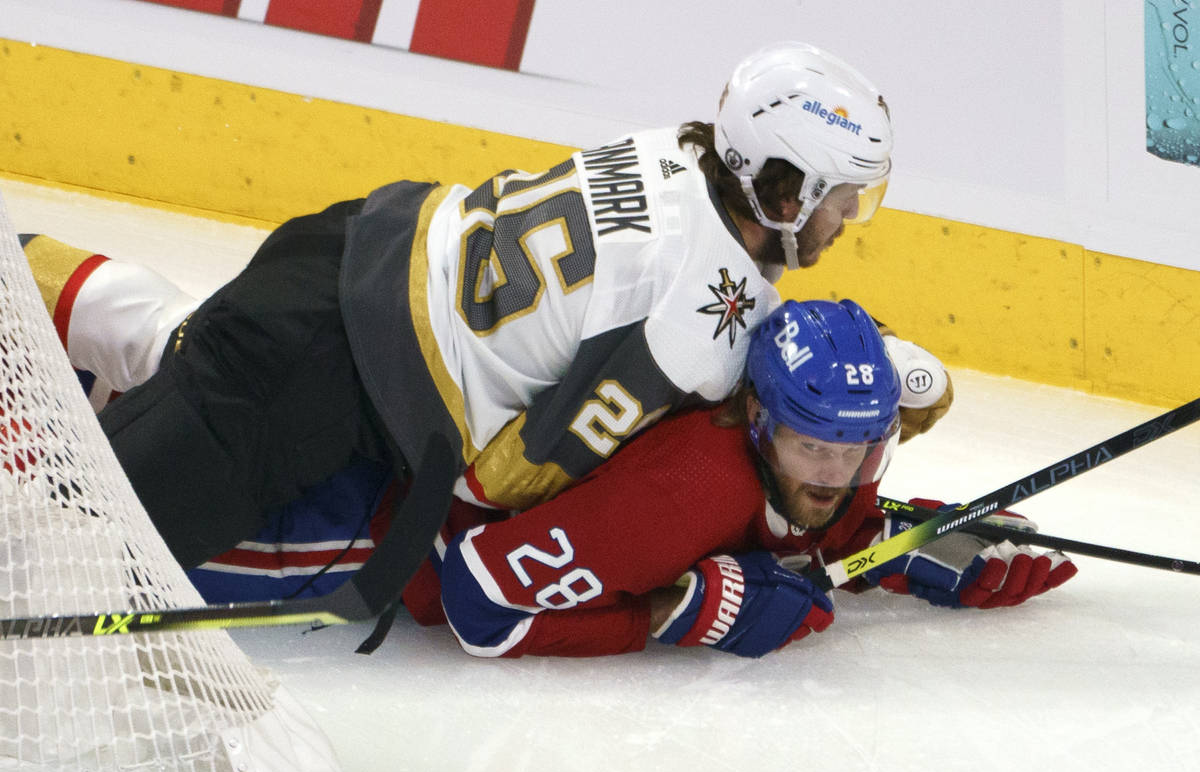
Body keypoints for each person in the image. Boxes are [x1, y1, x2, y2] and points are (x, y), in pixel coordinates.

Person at [24, 41, 954, 574]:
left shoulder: (681, 147)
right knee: (95, 548)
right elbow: (523, 467)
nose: (844, 219)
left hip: (355, 240)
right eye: (837, 195)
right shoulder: (690, 333)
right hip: (316, 376)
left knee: (175, 345)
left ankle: (23, 268)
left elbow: (686, 295)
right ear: (780, 184)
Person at [395, 299, 1076, 659]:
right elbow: (478, 602)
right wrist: (676, 612)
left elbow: (813, 499)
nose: (838, 475)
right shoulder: (683, 492)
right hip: (372, 529)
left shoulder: (808, 446)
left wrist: (891, 541)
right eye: (815, 445)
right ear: (756, 416)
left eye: (862, 449)